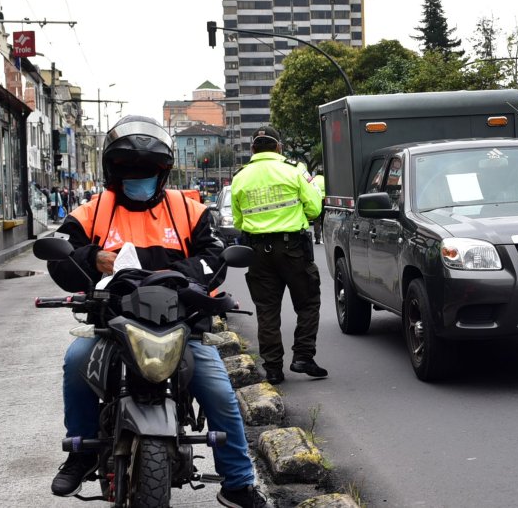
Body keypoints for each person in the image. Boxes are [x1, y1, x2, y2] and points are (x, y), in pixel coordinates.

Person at [46, 115, 262, 508]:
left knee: (219, 392)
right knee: (76, 362)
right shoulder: (92, 211)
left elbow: (215, 257)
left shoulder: (189, 209)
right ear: (114, 171)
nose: (138, 177)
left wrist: (171, 276)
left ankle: (238, 483)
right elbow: (59, 261)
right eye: (129, 170)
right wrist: (93, 258)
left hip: (181, 328)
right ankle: (79, 454)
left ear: (162, 172)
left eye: (146, 170)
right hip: (112, 328)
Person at [230, 125, 325, 385]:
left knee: (267, 310)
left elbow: (239, 219)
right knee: (307, 303)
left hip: (257, 252)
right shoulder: (293, 169)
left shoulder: (240, 177)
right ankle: (303, 356)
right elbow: (315, 208)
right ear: (278, 147)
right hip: (292, 248)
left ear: (252, 149)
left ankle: (273, 369)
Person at [310, 170, 325, 244]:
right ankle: (325, 239)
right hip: (324, 201)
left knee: (316, 221)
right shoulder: (325, 179)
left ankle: (317, 238)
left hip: (316, 200)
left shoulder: (313, 180)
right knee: (324, 221)